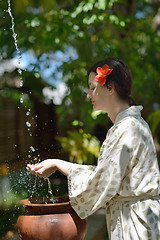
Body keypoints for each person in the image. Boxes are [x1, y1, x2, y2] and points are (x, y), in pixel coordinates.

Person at [27, 57, 160, 240]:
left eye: (92, 88)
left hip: (135, 226)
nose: (88, 95)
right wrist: (57, 163)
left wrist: (59, 165)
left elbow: (99, 183)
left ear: (110, 88)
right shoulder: (131, 125)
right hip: (137, 219)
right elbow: (104, 175)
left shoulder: (127, 129)